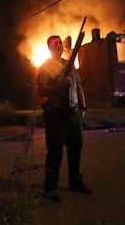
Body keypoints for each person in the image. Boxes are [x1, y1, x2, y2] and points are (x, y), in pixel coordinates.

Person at [36, 35, 93, 203]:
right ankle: (50, 188)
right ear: (49, 48)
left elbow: (78, 86)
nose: (59, 45)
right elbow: (41, 91)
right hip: (56, 114)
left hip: (74, 113)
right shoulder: (45, 67)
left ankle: (76, 182)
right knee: (55, 153)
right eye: (56, 43)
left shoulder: (70, 65)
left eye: (61, 43)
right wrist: (60, 85)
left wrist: (83, 107)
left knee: (75, 150)